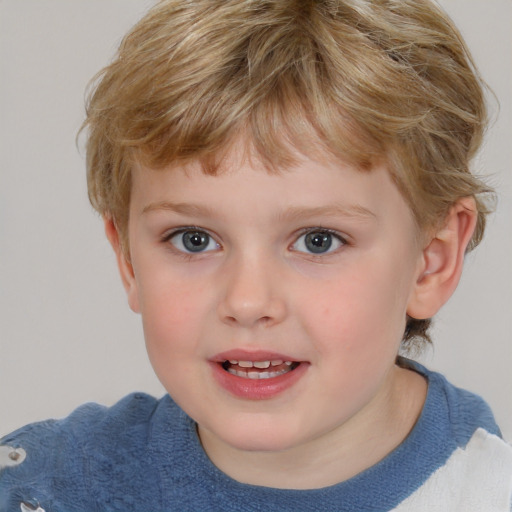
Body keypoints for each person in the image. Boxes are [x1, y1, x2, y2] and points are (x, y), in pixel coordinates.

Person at [1, 0, 511, 510]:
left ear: (432, 259)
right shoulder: (45, 491)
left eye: (318, 240)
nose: (247, 302)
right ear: (129, 260)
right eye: (194, 239)